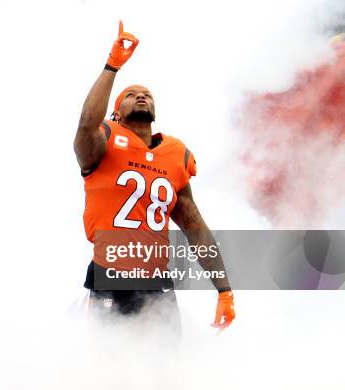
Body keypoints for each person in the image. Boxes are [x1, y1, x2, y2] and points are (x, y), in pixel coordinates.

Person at [74, 21, 235, 331]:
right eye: (131, 94)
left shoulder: (175, 155)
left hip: (158, 285)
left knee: (165, 372)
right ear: (116, 112)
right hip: (111, 277)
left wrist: (224, 289)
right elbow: (85, 125)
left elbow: (195, 227)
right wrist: (112, 66)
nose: (141, 96)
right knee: (105, 369)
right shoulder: (103, 140)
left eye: (146, 93)